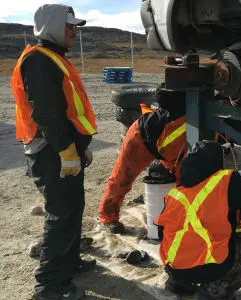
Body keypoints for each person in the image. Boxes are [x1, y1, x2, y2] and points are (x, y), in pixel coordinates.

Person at [11, 4, 97, 299]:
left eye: (75, 26)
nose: (74, 31)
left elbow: (67, 110)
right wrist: (66, 151)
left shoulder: (53, 58)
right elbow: (46, 114)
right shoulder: (38, 60)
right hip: (52, 151)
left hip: (63, 149)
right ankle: (48, 285)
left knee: (73, 209)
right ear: (52, 25)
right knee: (60, 214)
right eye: (69, 25)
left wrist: (78, 147)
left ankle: (69, 263)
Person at [155, 141, 241, 300]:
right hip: (208, 265)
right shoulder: (225, 181)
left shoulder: (177, 191)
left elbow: (162, 230)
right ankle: (214, 290)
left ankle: (179, 284)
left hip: (174, 266)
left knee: (190, 241)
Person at [98, 90, 187, 234]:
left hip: (172, 152)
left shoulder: (205, 121)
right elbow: (165, 95)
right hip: (141, 138)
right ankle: (108, 217)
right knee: (121, 178)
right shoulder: (178, 111)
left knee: (185, 184)